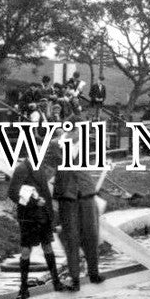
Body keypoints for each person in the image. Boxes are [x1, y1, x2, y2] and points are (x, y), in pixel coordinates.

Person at [51, 118, 104, 290]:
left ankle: (94, 273)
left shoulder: (85, 143)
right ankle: (75, 279)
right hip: (67, 195)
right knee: (71, 237)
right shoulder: (55, 144)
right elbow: (47, 167)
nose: (82, 133)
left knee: (91, 234)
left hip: (86, 193)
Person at [8, 147, 63, 298]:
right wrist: (32, 201)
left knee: (47, 247)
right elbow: (12, 193)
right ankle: (23, 289)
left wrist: (51, 218)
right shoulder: (22, 169)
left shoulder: (40, 168)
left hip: (43, 215)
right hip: (28, 216)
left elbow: (46, 193)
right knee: (26, 250)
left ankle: (56, 282)